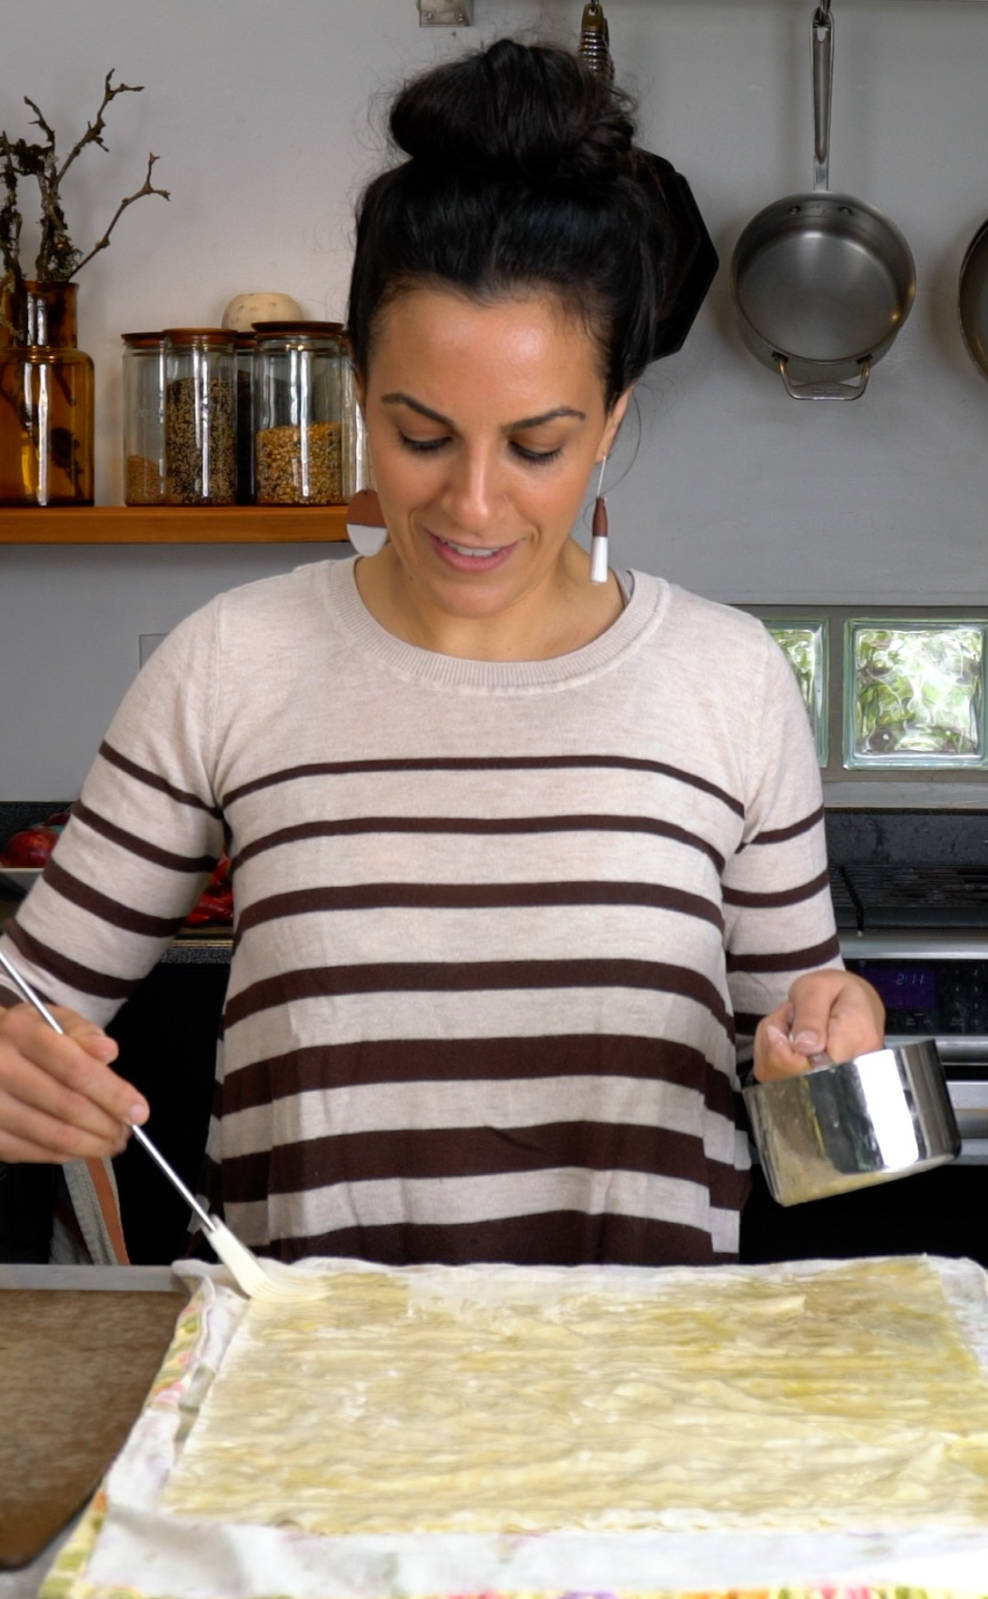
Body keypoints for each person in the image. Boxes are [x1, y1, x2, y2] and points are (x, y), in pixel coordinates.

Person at [0, 37, 883, 1268]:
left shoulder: (727, 683)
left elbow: (810, 1138)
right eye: (420, 435)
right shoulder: (228, 666)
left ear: (614, 418)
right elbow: (27, 1008)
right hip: (311, 1414)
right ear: (358, 389)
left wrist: (822, 1061)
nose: (473, 506)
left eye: (538, 448)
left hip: (649, 1417)